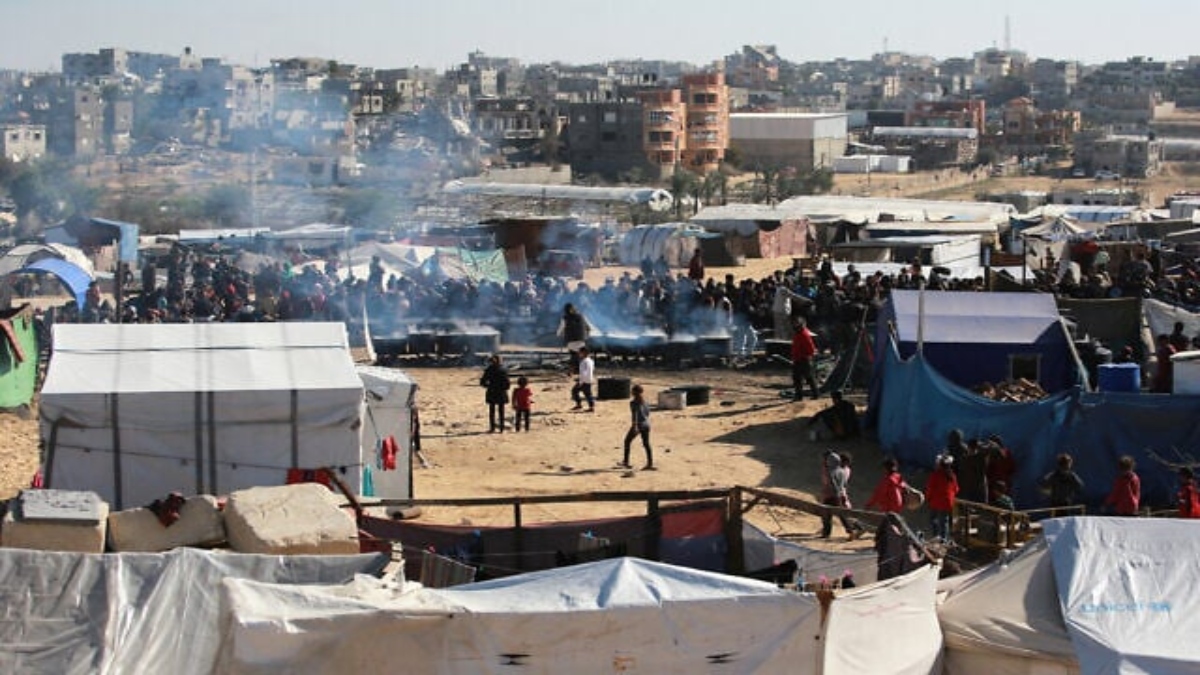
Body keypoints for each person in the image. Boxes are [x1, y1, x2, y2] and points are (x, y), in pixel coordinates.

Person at [820, 450, 864, 539]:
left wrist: (833, 492)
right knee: (838, 514)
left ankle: (852, 529)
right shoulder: (842, 471)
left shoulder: (834, 471)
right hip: (838, 494)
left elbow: (831, 483)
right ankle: (851, 530)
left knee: (831, 514)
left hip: (833, 494)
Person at [925, 454, 959, 543]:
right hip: (947, 502)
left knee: (933, 519)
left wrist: (928, 498)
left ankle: (936, 537)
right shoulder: (952, 475)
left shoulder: (935, 475)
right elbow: (956, 489)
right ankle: (943, 540)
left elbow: (930, 488)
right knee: (944, 522)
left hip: (936, 502)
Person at [621, 384, 653, 470]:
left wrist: (634, 426)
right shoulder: (646, 402)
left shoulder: (633, 403)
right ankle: (650, 463)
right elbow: (648, 414)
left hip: (639, 424)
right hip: (647, 424)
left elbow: (634, 415)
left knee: (627, 441)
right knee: (646, 444)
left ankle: (626, 462)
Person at [479, 355, 511, 433]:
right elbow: (507, 384)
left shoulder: (488, 370)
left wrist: (489, 386)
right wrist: (504, 388)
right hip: (501, 392)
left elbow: (482, 382)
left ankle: (492, 428)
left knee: (492, 411)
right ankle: (501, 428)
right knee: (501, 411)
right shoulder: (503, 370)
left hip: (491, 391)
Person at [790, 319, 819, 401]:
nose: (794, 326)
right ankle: (800, 396)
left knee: (808, 378)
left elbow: (811, 349)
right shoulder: (798, 334)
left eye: (796, 324)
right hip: (798, 359)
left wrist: (806, 356)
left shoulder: (804, 335)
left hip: (803, 360)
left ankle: (815, 394)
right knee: (798, 378)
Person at [557, 303, 590, 372]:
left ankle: (574, 369)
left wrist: (558, 334)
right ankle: (579, 369)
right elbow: (588, 327)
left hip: (571, 341)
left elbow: (560, 329)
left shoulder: (565, 318)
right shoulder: (581, 316)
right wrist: (586, 336)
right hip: (581, 341)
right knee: (579, 355)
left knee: (573, 355)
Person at [571, 347, 596, 412]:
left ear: (584, 353)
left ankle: (588, 406)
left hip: (584, 380)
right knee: (587, 393)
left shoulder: (584, 361)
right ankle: (587, 406)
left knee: (577, 391)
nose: (579, 354)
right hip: (588, 379)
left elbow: (583, 372)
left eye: (580, 352)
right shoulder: (590, 361)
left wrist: (581, 381)